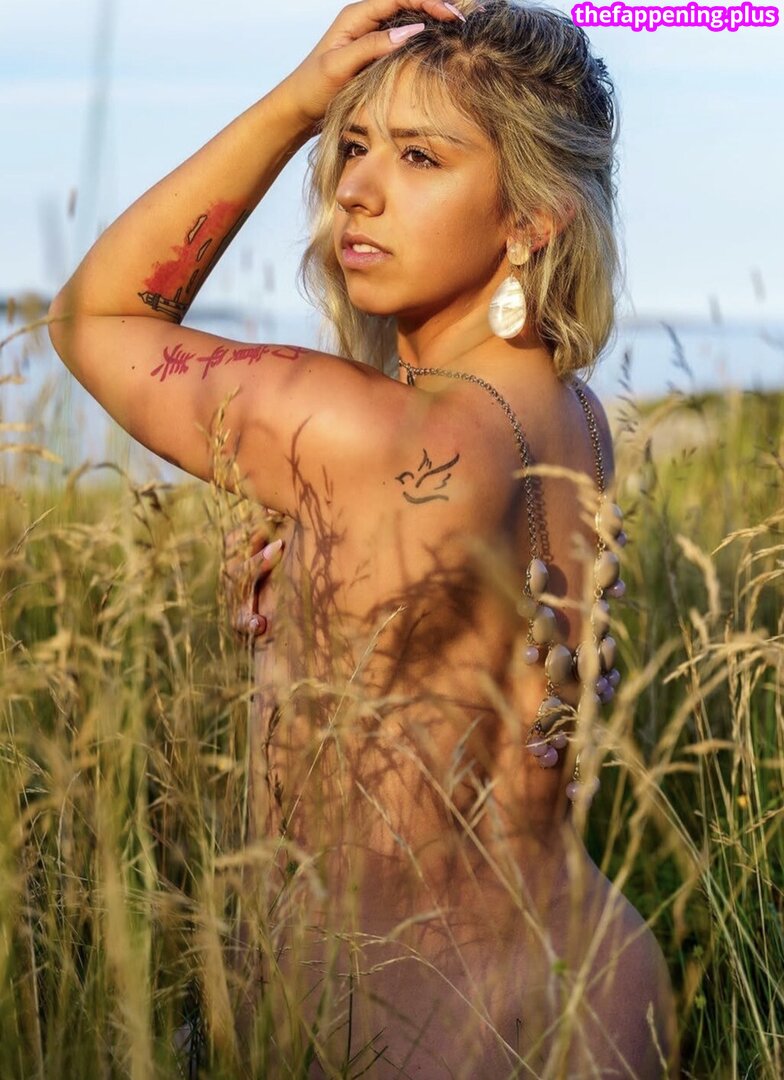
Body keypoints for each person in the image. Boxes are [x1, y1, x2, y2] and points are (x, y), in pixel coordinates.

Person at [49, 0, 678, 1074]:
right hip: (601, 990)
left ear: (532, 216)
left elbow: (96, 318)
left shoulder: (367, 431)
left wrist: (299, 102)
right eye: (349, 144)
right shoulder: (574, 417)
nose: (355, 189)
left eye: (420, 156)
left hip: (389, 1021)